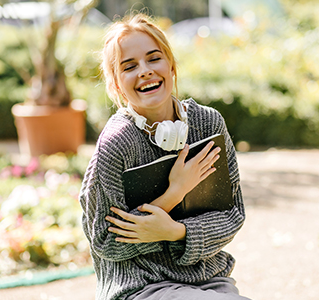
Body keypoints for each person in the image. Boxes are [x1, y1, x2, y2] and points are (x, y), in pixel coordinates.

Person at [79, 13, 248, 300]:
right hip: (139, 286)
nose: (144, 71)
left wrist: (176, 232)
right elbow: (104, 240)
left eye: (153, 58)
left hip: (210, 280)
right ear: (117, 84)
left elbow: (232, 215)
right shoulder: (116, 143)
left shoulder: (209, 123)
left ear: (171, 66)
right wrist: (174, 194)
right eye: (129, 66)